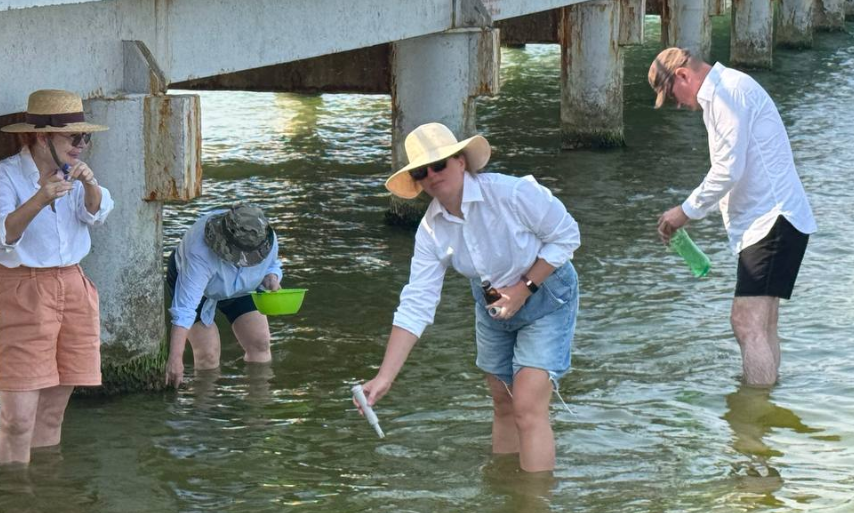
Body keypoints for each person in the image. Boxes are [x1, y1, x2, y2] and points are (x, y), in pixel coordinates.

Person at [359, 123, 580, 472]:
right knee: (502, 403)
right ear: (417, 181)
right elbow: (417, 303)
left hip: (546, 290)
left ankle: (534, 503)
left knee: (526, 406)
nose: (432, 175)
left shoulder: (512, 193)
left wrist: (524, 289)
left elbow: (567, 236)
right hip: (490, 299)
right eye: (421, 171)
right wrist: (384, 377)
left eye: (440, 164)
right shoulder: (431, 230)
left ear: (462, 162)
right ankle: (505, 490)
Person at [649, 47, 817, 386]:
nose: (678, 105)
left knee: (746, 322)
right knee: (763, 324)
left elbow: (727, 170)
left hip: (772, 220)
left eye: (672, 95)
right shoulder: (726, 92)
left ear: (683, 75)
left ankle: (753, 419)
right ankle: (765, 413)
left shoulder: (728, 94)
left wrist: (685, 212)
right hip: (776, 220)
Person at [0, 89, 114, 465]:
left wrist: (91, 185)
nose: (81, 145)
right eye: (73, 137)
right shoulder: (7, 175)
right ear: (41, 136)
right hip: (22, 288)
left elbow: (96, 214)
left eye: (86, 137)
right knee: (15, 421)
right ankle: (15, 495)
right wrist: (39, 199)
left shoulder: (77, 175)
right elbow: (3, 234)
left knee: (52, 414)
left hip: (74, 286)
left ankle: (47, 493)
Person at [164, 203, 283, 387]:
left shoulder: (265, 237)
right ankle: (204, 410)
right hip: (199, 286)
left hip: (242, 285)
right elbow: (185, 310)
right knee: (208, 354)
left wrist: (272, 277)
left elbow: (272, 264)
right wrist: (175, 359)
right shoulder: (199, 252)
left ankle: (258, 410)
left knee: (260, 343)